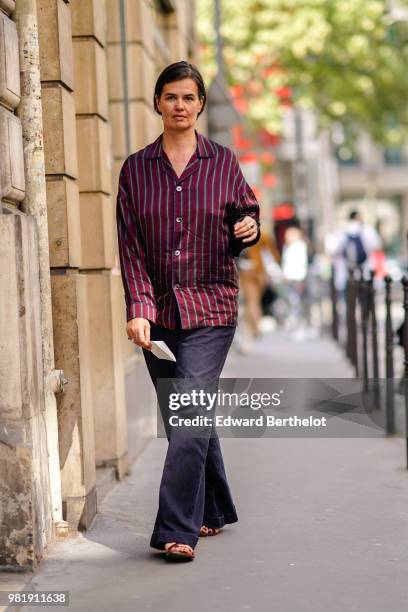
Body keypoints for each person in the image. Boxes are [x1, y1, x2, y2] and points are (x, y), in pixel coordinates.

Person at [115, 61, 260, 562]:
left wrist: (248, 228)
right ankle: (213, 507)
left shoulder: (223, 162)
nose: (180, 105)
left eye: (189, 98)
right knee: (186, 417)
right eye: (171, 97)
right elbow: (129, 246)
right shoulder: (135, 169)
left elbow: (247, 211)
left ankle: (176, 528)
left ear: (200, 105)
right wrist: (138, 308)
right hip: (158, 314)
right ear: (158, 102)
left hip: (212, 306)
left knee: (190, 410)